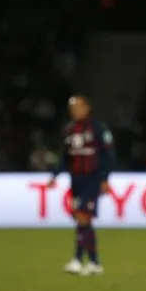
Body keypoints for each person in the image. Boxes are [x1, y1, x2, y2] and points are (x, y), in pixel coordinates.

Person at [49, 95, 114, 276]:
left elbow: (108, 155)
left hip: (92, 179)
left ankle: (88, 262)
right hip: (76, 180)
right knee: (81, 219)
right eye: (72, 109)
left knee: (83, 217)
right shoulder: (69, 130)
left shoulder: (98, 128)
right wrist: (55, 175)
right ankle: (85, 261)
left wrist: (105, 178)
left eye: (78, 107)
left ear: (87, 108)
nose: (75, 112)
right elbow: (65, 157)